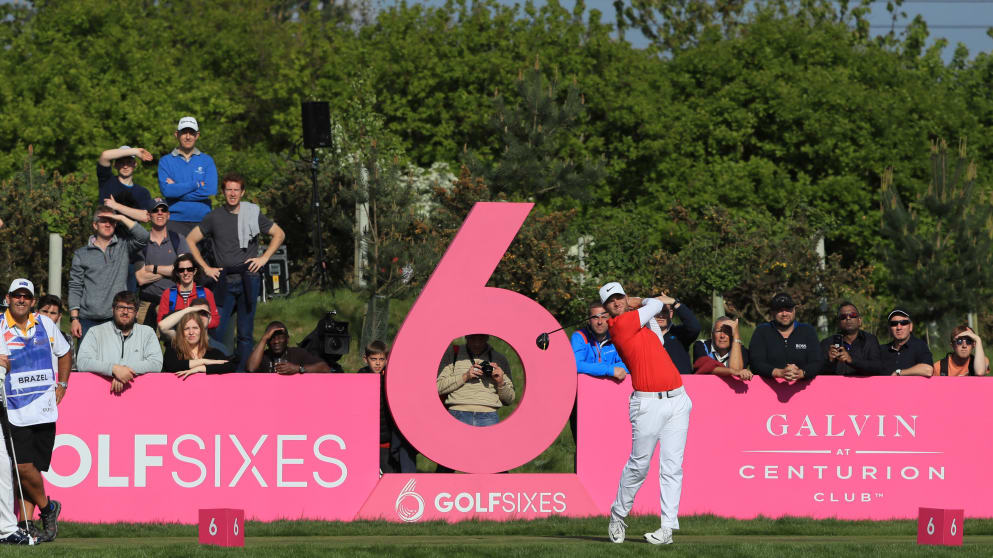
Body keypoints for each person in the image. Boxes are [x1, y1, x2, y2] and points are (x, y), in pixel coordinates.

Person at [599, 282, 690, 546]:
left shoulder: (641, 324)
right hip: (648, 404)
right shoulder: (620, 325)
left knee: (672, 467)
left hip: (678, 399)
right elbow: (657, 304)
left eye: (619, 297)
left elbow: (658, 336)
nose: (616, 303)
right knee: (639, 466)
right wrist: (640, 300)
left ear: (624, 297)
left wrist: (640, 303)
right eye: (611, 301)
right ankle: (618, 515)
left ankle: (667, 529)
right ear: (606, 308)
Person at [186, 173, 285, 368]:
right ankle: (218, 368)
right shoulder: (214, 217)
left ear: (242, 192)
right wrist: (206, 268)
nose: (232, 194)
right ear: (223, 192)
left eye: (236, 190)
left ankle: (242, 374)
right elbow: (190, 240)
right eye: (229, 190)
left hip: (249, 277)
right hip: (224, 280)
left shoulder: (252, 214)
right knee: (215, 330)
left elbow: (279, 234)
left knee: (245, 333)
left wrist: (264, 258)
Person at [0, 279, 70, 543]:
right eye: (16, 295)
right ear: (8, 298)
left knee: (33, 468)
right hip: (14, 409)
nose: (21, 300)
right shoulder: (0, 325)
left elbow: (65, 352)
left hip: (44, 408)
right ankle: (48, 508)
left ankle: (26, 524)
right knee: (22, 467)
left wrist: (63, 384)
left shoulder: (46, 324)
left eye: (26, 296)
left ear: (32, 301)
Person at [67, 206, 150, 342]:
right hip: (88, 320)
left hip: (117, 318)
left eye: (111, 221)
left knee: (119, 356)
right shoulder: (81, 254)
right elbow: (75, 286)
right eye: (103, 221)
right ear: (95, 225)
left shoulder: (124, 246)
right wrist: (74, 318)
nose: (108, 224)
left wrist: (121, 217)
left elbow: (144, 237)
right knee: (87, 357)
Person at [76, 291, 163, 393]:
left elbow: (156, 363)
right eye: (121, 307)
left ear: (137, 313)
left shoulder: (147, 332)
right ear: (113, 309)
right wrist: (113, 369)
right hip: (100, 392)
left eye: (130, 308)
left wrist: (125, 371)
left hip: (138, 392)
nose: (125, 312)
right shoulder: (95, 332)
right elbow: (82, 362)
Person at [570, 300, 628, 444]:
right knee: (584, 445)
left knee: (610, 443)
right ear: (588, 320)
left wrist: (593, 368)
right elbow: (576, 365)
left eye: (604, 317)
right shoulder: (579, 337)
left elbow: (627, 364)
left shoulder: (617, 336)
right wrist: (609, 370)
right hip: (583, 401)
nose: (600, 322)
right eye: (595, 317)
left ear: (610, 318)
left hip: (611, 398)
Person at [436, 334, 514, 427]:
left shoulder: (500, 359)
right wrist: (465, 376)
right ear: (466, 336)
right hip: (457, 412)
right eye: (472, 338)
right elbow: (438, 387)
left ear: (487, 337)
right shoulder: (453, 354)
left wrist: (500, 382)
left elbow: (509, 400)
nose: (477, 343)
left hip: (488, 415)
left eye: (481, 338)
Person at [157, 116, 218, 236]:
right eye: (184, 132)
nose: (188, 137)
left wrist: (177, 189)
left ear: (197, 135)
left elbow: (210, 190)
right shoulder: (165, 161)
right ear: (177, 134)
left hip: (203, 220)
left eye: (192, 133)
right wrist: (196, 185)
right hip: (174, 220)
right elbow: (167, 191)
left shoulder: (207, 160)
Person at [136, 198, 190, 327]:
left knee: (172, 339)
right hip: (147, 303)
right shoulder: (141, 242)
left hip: (174, 302)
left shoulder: (178, 239)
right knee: (144, 339)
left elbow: (185, 271)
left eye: (163, 210)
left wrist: (153, 268)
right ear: (149, 215)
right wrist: (171, 271)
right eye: (155, 210)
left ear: (168, 215)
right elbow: (141, 279)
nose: (160, 213)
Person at [749, 293, 823, 381]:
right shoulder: (762, 331)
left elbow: (817, 362)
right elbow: (755, 363)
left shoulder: (808, 331)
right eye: (779, 310)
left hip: (804, 387)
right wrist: (779, 373)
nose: (784, 314)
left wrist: (800, 373)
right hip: (766, 388)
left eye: (788, 309)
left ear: (794, 310)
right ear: (772, 312)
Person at [155, 254, 219, 328]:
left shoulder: (206, 293)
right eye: (181, 270)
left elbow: (215, 321)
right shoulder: (168, 294)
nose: (185, 273)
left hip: (199, 333)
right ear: (177, 273)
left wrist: (198, 325)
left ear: (195, 271)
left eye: (189, 269)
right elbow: (161, 322)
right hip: (175, 334)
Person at [820, 302, 883, 376]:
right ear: (838, 323)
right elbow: (817, 371)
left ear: (859, 321)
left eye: (852, 315)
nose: (848, 318)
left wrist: (851, 360)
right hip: (836, 383)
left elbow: (877, 368)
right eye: (843, 316)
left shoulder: (870, 340)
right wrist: (830, 361)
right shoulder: (827, 343)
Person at [163, 313, 236, 378]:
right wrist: (203, 361)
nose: (191, 332)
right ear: (181, 332)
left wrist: (200, 368)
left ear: (201, 331)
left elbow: (230, 366)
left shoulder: (213, 352)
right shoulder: (173, 350)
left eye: (195, 328)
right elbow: (172, 365)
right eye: (186, 329)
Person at [97, 145, 154, 224]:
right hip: (107, 230)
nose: (125, 166)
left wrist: (116, 206)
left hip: (130, 232)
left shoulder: (142, 192)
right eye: (121, 162)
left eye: (129, 162)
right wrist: (135, 151)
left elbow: (145, 217)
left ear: (135, 164)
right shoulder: (107, 181)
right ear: (115, 165)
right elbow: (104, 155)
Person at [245, 322, 331, 374]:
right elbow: (251, 368)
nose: (276, 341)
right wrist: (264, 338)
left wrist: (298, 369)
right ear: (267, 342)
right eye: (272, 338)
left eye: (280, 337)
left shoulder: (298, 353)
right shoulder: (263, 356)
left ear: (287, 339)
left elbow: (325, 368)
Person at [650, 297, 701, 375]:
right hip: (653, 380)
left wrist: (675, 303)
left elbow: (695, 327)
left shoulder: (680, 333)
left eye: (664, 311)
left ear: (671, 313)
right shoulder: (644, 335)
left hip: (682, 381)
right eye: (657, 312)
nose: (660, 316)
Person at [879, 309, 933, 376]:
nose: (899, 327)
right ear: (889, 329)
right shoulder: (881, 350)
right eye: (894, 324)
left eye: (903, 323)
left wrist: (899, 373)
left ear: (911, 327)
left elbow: (928, 370)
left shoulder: (920, 346)